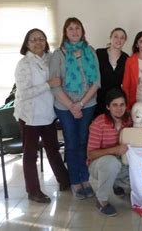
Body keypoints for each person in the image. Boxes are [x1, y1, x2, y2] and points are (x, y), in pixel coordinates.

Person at [14, 28, 70, 203]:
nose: (38, 42)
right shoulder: (23, 64)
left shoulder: (50, 58)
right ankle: (33, 191)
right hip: (30, 116)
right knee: (30, 155)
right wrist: (48, 84)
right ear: (27, 43)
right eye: (33, 39)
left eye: (41, 39)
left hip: (48, 114)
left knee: (53, 150)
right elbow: (24, 93)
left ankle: (65, 181)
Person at [49, 17, 100, 199]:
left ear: (82, 31)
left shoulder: (90, 52)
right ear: (65, 32)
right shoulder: (58, 55)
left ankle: (85, 178)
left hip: (87, 104)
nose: (74, 31)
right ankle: (74, 181)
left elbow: (96, 82)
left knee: (84, 141)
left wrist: (81, 104)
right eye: (70, 28)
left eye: (77, 28)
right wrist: (71, 105)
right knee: (71, 142)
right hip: (64, 107)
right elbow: (54, 85)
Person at [87, 88, 132, 216]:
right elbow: (90, 154)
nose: (119, 108)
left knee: (137, 174)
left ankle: (116, 184)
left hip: (121, 163)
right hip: (99, 164)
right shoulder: (99, 123)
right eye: (115, 105)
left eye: (122, 104)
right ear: (108, 107)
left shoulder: (129, 121)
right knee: (111, 163)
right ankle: (101, 201)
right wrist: (114, 150)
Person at [96, 27, 129, 116]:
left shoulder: (126, 59)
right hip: (99, 100)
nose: (119, 40)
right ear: (110, 38)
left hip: (116, 103)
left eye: (122, 38)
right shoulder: (99, 53)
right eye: (116, 36)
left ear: (125, 41)